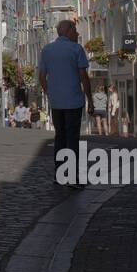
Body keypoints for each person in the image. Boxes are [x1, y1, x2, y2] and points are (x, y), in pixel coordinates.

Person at [38, 20, 94, 186]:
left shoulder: (47, 50)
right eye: (75, 30)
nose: (77, 34)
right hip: (74, 101)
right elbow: (83, 76)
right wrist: (90, 99)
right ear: (67, 31)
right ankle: (72, 176)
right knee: (72, 139)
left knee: (60, 137)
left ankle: (59, 174)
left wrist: (50, 93)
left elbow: (42, 77)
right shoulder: (76, 49)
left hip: (56, 102)